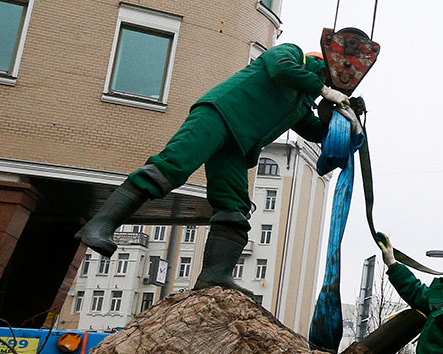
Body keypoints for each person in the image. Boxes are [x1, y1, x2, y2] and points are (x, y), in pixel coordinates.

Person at [75, 43, 353, 294]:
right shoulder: (292, 55)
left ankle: (214, 274)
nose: (323, 83)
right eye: (325, 77)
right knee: (171, 166)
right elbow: (281, 70)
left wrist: (343, 121)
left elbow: (316, 132)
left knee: (234, 206)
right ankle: (100, 225)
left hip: (237, 144)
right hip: (219, 114)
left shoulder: (300, 103)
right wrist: (324, 90)